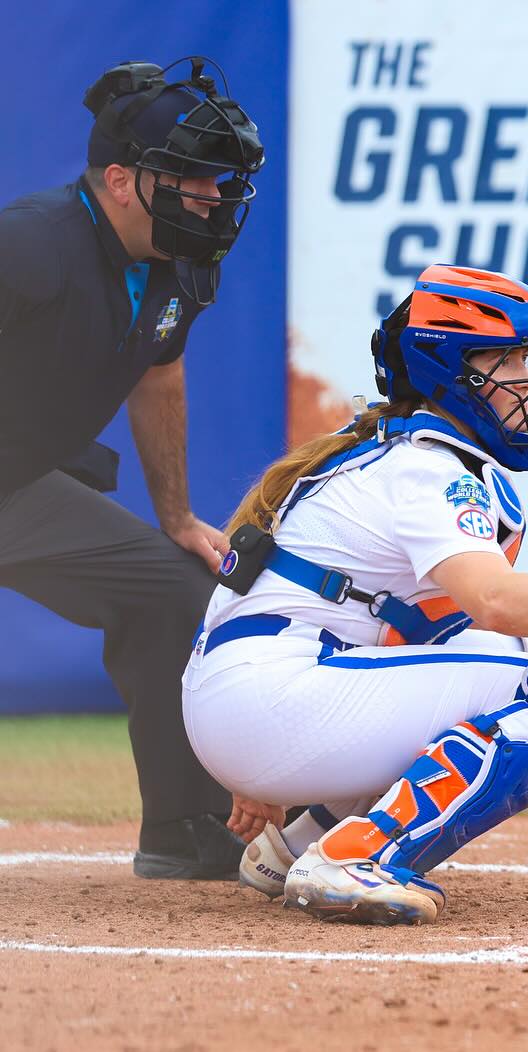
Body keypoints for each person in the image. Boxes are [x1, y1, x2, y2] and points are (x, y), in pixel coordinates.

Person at [181, 265, 528, 925]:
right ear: (449, 372)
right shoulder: (426, 469)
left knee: (492, 660)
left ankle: (298, 845)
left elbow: (446, 630)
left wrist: (259, 760)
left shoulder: (389, 454)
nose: (526, 379)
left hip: (252, 694)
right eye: (506, 360)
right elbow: (497, 601)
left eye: (525, 359)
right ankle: (354, 857)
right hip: (271, 696)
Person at [0, 58, 264, 877]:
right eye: (191, 178)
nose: (212, 196)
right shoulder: (29, 243)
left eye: (217, 179)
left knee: (176, 592)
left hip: (19, 487)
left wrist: (176, 517)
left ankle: (182, 829)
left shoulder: (179, 261)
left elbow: (159, 374)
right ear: (120, 181)